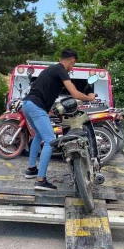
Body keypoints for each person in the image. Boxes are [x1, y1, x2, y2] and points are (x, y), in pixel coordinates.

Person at [22, 49, 96, 190]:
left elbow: (44, 90)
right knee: (50, 141)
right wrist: (89, 98)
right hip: (35, 106)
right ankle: (41, 180)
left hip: (27, 104)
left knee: (38, 135)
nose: (72, 68)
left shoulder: (52, 69)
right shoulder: (61, 69)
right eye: (73, 65)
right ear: (72, 60)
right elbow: (74, 93)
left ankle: (31, 169)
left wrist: (48, 109)